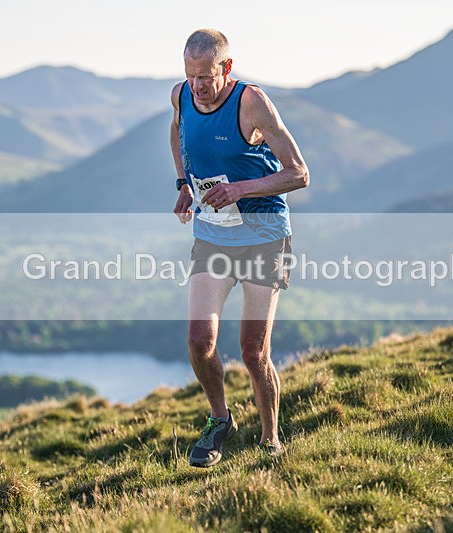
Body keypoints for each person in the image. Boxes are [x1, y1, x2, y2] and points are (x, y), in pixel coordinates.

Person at [170, 29, 309, 467]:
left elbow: (299, 174)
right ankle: (219, 419)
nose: (198, 86)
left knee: (253, 353)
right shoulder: (181, 96)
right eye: (191, 76)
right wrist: (183, 183)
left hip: (265, 236)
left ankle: (270, 439)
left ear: (226, 68)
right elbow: (178, 133)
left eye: (206, 77)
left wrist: (240, 190)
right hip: (214, 235)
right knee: (199, 340)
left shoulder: (251, 103)